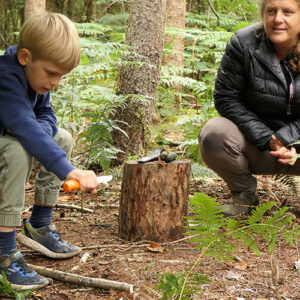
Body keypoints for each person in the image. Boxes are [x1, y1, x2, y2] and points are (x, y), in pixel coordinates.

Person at [0, 13, 100, 290]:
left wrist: (43, 133)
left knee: (62, 137)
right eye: (52, 73)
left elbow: (46, 116)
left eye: (62, 75)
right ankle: (4, 249)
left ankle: (40, 225)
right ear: (25, 57)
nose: (56, 82)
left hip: (9, 138)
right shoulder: (6, 77)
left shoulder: (35, 78)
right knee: (17, 151)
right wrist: (70, 170)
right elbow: (22, 125)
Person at [199, 0, 300, 217]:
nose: (278, 19)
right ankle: (244, 196)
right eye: (271, 11)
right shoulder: (243, 43)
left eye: (288, 12)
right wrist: (269, 139)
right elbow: (226, 98)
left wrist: (286, 136)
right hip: (258, 145)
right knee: (214, 134)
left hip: (297, 149)